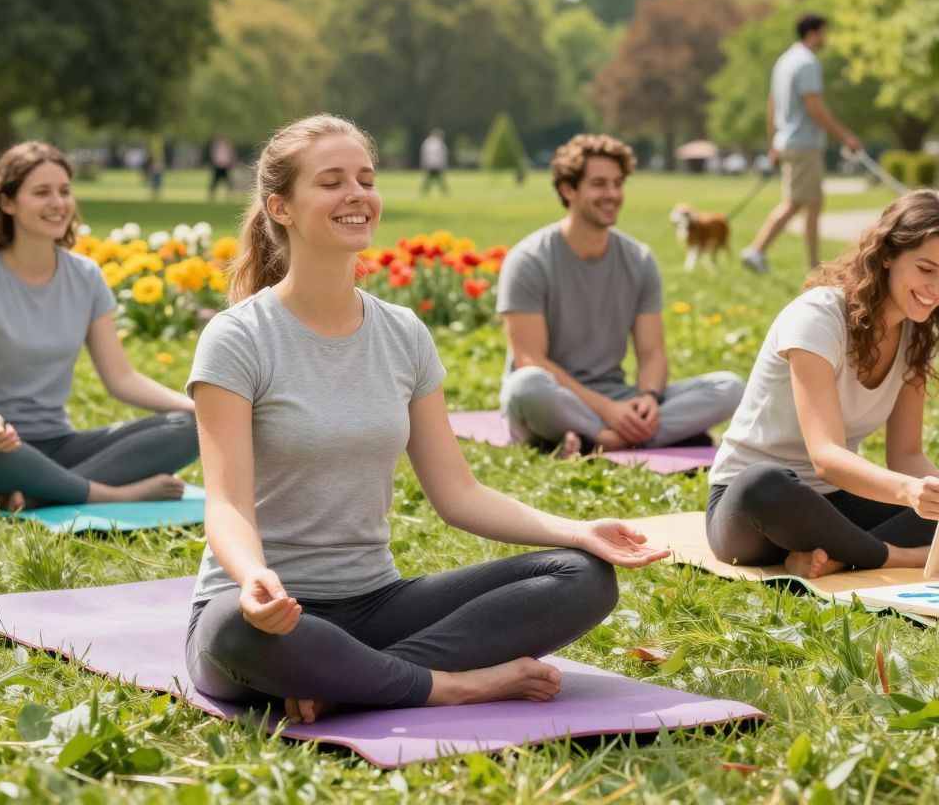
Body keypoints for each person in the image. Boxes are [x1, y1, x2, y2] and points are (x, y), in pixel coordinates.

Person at [185, 115, 667, 722]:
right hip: (268, 614)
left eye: (365, 178)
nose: (357, 194)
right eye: (331, 182)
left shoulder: (403, 333)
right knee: (233, 631)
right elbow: (225, 505)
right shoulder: (238, 338)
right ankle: (450, 684)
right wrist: (254, 577)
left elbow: (459, 493)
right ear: (280, 207)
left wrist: (575, 530)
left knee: (583, 577)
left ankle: (355, 681)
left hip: (374, 605)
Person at [708, 189, 939, 578]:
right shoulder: (818, 316)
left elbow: (905, 454)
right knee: (764, 483)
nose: (938, 288)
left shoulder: (917, 336)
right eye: (926, 269)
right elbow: (826, 457)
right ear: (887, 255)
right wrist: (909, 493)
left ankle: (836, 555)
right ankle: (894, 556)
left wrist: (937, 495)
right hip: (755, 511)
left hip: (837, 504)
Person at [0, 142, 198, 512]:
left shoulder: (86, 276)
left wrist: (195, 407)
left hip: (58, 446)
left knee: (194, 428)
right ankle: (112, 493)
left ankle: (36, 496)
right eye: (41, 192)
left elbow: (120, 378)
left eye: (64, 191)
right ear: (7, 202)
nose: (58, 203)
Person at [499, 134, 745, 454]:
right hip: (554, 395)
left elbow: (652, 352)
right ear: (567, 189)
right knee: (525, 385)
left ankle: (596, 441)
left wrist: (648, 399)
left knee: (731, 387)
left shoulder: (638, 259)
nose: (612, 194)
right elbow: (530, 358)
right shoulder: (528, 260)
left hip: (617, 396)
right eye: (599, 184)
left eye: (618, 183)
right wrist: (605, 410)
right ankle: (624, 437)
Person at [740, 13, 862, 275]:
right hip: (803, 143)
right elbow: (814, 106)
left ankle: (812, 262)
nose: (825, 38)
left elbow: (772, 104)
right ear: (813, 33)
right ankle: (759, 250)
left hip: (788, 140)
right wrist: (845, 136)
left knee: (810, 202)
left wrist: (773, 141)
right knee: (798, 203)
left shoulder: (784, 61)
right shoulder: (807, 62)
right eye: (824, 33)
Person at [419, 129, 449, 195]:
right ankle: (444, 192)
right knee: (437, 179)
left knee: (431, 179)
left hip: (432, 164)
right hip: (435, 164)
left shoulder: (427, 142)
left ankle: (424, 192)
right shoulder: (439, 143)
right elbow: (443, 155)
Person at [208, 133, 238, 200]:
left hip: (226, 166)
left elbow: (232, 154)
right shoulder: (216, 145)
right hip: (218, 165)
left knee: (227, 182)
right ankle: (212, 195)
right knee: (215, 181)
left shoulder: (228, 145)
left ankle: (229, 195)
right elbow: (213, 155)